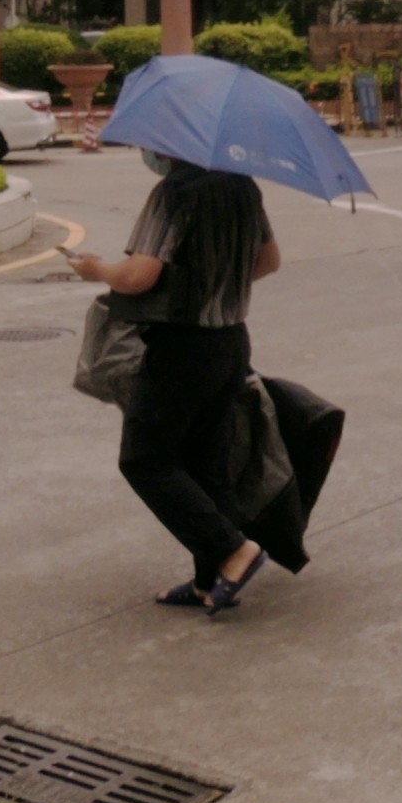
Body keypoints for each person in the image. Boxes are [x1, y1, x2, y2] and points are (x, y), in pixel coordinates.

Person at [68, 152, 284, 612]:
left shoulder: (174, 194)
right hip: (230, 342)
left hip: (181, 347)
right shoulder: (243, 187)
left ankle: (233, 550)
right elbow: (269, 261)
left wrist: (97, 269)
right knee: (206, 464)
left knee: (145, 460)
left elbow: (138, 277)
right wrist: (218, 278)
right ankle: (209, 581)